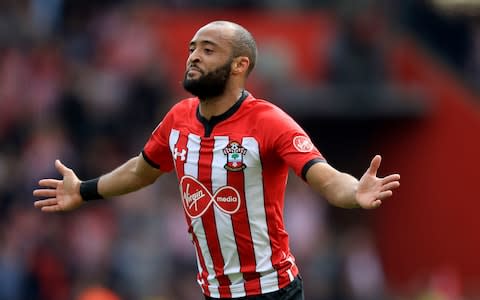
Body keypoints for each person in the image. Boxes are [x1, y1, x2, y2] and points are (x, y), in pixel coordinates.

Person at [33, 21, 400, 300]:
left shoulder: (269, 121)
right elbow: (139, 171)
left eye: (208, 50)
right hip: (213, 292)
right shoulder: (178, 118)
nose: (194, 56)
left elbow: (323, 176)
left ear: (239, 65)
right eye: (193, 48)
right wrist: (84, 189)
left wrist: (355, 191)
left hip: (272, 292)